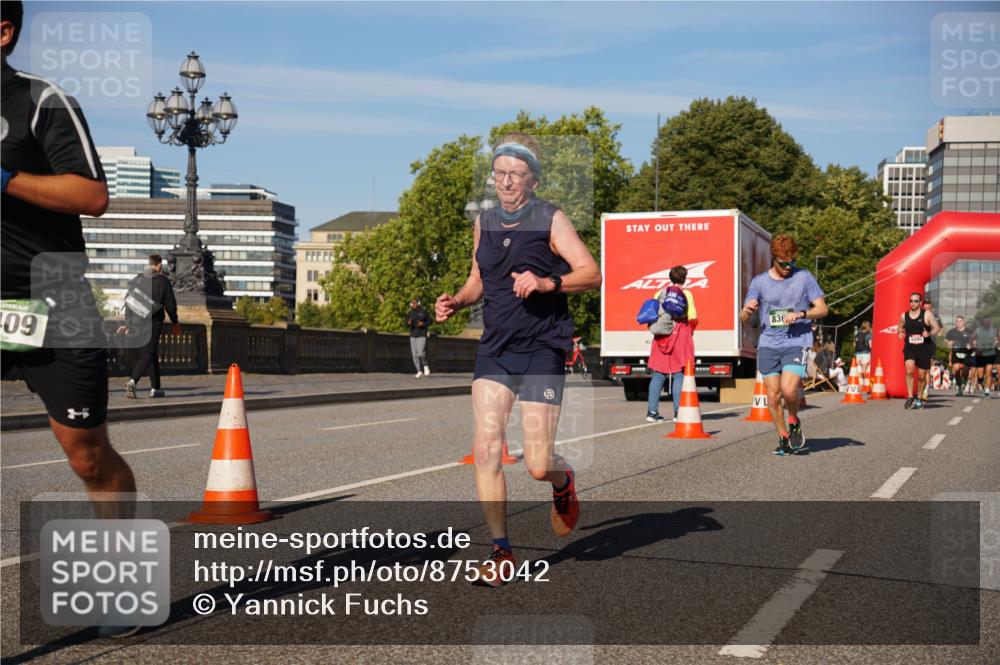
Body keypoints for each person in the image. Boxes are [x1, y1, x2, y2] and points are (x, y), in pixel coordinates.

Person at [435, 133, 601, 586]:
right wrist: (456, 300)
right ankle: (501, 550)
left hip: (542, 348)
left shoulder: (551, 218)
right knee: (487, 448)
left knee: (536, 463)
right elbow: (478, 280)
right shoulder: (484, 222)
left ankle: (562, 482)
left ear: (532, 178)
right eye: (500, 172)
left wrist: (548, 283)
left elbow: (591, 273)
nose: (506, 181)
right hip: (496, 348)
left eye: (516, 174)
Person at [1, 2, 137, 522]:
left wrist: (7, 180)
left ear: (4, 31)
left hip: (52, 295)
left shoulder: (43, 101)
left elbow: (93, 195)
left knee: (87, 454)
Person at [740, 235, 827, 455]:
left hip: (796, 342)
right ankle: (783, 436)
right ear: (774, 259)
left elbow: (822, 309)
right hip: (769, 343)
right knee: (772, 395)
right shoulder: (759, 282)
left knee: (789, 390)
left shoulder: (804, 278)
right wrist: (748, 310)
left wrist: (801, 313)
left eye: (792, 262)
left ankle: (794, 419)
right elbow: (742, 318)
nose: (788, 267)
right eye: (783, 263)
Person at [119, 254, 180, 398]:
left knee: (150, 353)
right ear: (158, 265)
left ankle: (156, 388)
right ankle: (132, 381)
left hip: (136, 322)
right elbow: (170, 305)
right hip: (153, 322)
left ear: (149, 263)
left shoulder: (137, 280)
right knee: (147, 353)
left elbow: (128, 303)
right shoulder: (162, 281)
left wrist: (128, 323)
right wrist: (175, 322)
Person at [646, 265, 698, 423]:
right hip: (680, 334)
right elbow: (693, 317)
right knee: (679, 373)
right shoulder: (687, 294)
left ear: (670, 277)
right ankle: (678, 412)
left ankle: (652, 412)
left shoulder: (659, 292)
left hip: (662, 336)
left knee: (658, 374)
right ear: (685, 278)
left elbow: (653, 313)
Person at [898, 292, 941, 409]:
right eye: (911, 300)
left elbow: (937, 328)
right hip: (910, 347)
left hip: (924, 348)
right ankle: (910, 396)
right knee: (909, 369)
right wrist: (900, 333)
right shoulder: (904, 315)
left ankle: (919, 397)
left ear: (920, 303)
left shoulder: (927, 314)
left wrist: (929, 333)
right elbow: (900, 326)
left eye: (915, 301)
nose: (913, 303)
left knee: (922, 375)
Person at [945, 315, 974, 396]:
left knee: (965, 371)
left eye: (960, 321)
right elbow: (946, 339)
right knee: (956, 370)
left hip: (967, 354)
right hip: (956, 353)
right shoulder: (952, 331)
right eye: (957, 321)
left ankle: (965, 380)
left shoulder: (969, 331)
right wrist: (948, 342)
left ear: (964, 322)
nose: (958, 323)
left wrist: (971, 344)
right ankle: (959, 388)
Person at [971, 315, 997, 398]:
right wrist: (975, 348)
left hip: (990, 354)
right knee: (980, 375)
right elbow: (971, 340)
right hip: (980, 355)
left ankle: (987, 391)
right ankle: (980, 381)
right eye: (985, 321)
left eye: (988, 321)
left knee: (989, 372)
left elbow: (998, 340)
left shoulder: (994, 330)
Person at [406, 297, 431, 378]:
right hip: (413, 335)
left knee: (421, 353)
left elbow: (430, 321)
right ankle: (419, 371)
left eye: (415, 303)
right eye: (412, 303)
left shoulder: (424, 312)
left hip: (422, 334)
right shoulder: (410, 313)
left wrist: (423, 324)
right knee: (414, 355)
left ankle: (425, 365)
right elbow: (406, 324)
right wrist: (408, 323)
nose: (413, 304)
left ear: (419, 303)